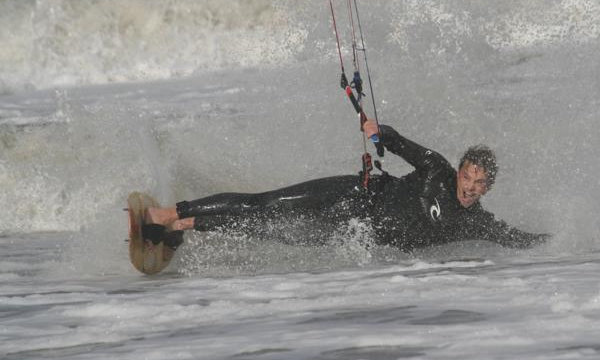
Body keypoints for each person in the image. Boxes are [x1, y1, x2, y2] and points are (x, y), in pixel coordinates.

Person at [142, 120, 548, 253]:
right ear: (459, 170)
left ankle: (186, 226)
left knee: (274, 233)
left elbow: (517, 238)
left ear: (487, 189)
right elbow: (399, 142)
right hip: (355, 194)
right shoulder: (436, 171)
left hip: (354, 232)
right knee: (265, 205)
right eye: (468, 177)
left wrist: (571, 239)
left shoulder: (474, 223)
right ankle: (167, 213)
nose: (470, 188)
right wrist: (377, 132)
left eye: (480, 185)